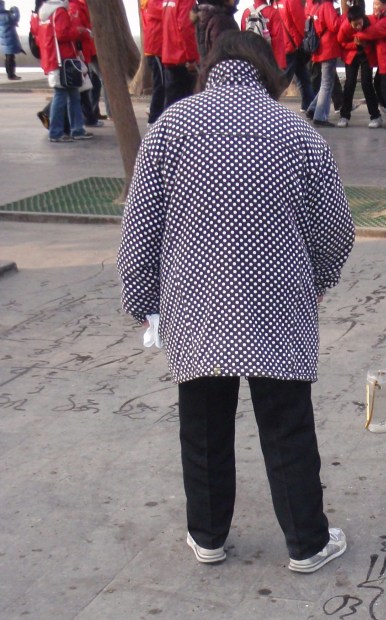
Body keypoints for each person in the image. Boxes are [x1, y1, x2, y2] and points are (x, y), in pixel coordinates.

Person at [117, 32, 355, 573]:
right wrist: (317, 279)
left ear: (209, 69)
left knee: (202, 425)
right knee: (288, 424)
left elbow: (140, 228)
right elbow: (335, 228)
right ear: (269, 72)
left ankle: (207, 536)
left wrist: (143, 300)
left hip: (196, 304)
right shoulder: (297, 130)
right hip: (279, 303)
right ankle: (307, 543)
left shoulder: (170, 127)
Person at [35, 0, 93, 142]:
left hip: (53, 58)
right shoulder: (60, 11)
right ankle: (59, 132)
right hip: (64, 59)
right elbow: (62, 34)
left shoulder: (45, 13)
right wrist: (79, 31)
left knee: (71, 95)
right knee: (64, 96)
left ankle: (74, 129)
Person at [355, 0, 386, 126]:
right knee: (380, 85)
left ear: (385, 5)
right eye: (373, 4)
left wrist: (358, 35)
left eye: (377, 4)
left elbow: (372, 32)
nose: (375, 7)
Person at [336, 3, 381, 127]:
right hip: (351, 56)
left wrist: (365, 43)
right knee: (349, 84)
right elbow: (341, 42)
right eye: (355, 25)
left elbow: (376, 38)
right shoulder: (345, 27)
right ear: (349, 22)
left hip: (367, 56)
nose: (358, 27)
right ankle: (344, 116)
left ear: (363, 19)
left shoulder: (370, 22)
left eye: (360, 23)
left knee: (367, 84)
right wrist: (354, 45)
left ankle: (375, 116)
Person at [305, 0, 341, 126]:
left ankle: (313, 109)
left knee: (325, 83)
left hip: (319, 48)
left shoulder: (315, 6)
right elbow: (334, 25)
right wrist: (341, 17)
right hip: (328, 48)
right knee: (327, 84)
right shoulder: (327, 6)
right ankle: (320, 116)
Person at [161, 0, 198, 107]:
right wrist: (192, 58)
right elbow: (186, 28)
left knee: (172, 102)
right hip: (183, 58)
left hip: (170, 55)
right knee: (186, 103)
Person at [281, 0, 316, 111]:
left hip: (284, 43)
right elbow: (300, 21)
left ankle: (309, 105)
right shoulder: (292, 1)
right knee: (284, 79)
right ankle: (267, 101)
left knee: (303, 77)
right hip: (294, 44)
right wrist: (305, 38)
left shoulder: (277, 2)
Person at [141, 0, 165, 122]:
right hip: (156, 48)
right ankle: (154, 117)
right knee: (160, 84)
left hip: (159, 47)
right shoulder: (152, 2)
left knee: (162, 83)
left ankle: (156, 112)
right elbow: (165, 12)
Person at [0, 0, 23, 79]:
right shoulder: (5, 16)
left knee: (8, 56)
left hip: (4, 39)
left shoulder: (4, 14)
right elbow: (15, 18)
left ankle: (10, 74)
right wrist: (15, 10)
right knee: (10, 58)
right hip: (8, 39)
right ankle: (11, 74)